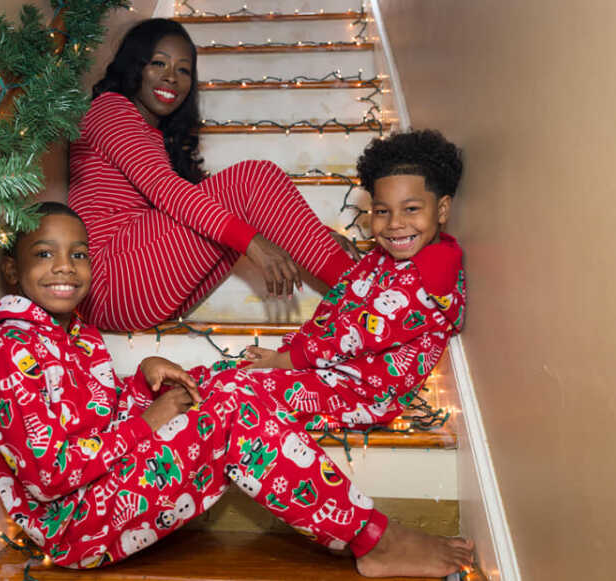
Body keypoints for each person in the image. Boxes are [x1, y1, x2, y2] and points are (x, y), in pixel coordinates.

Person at [0, 202, 474, 576]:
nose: (65, 267)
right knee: (233, 407)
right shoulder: (9, 350)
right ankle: (371, 538)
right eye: (45, 254)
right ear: (12, 270)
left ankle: (306, 449)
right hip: (72, 524)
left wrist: (144, 375)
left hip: (102, 483)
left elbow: (93, 411)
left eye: (78, 254)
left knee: (229, 380)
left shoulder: (71, 331)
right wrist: (151, 419)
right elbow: (48, 475)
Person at [67, 18, 358, 331]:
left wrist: (311, 234)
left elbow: (209, 206)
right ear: (134, 65)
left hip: (140, 287)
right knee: (253, 178)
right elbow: (168, 190)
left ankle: (362, 297)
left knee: (229, 211)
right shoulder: (110, 109)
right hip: (107, 276)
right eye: (158, 63)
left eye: (183, 70)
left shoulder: (154, 136)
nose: (171, 78)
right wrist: (255, 244)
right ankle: (368, 295)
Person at [197, 130, 467, 433]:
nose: (394, 224)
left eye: (411, 209)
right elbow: (339, 302)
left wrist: (286, 360)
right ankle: (169, 396)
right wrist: (295, 348)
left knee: (240, 396)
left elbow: (354, 337)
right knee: (221, 377)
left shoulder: (426, 281)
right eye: (382, 211)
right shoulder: (385, 258)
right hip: (331, 370)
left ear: (442, 210)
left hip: (362, 395)